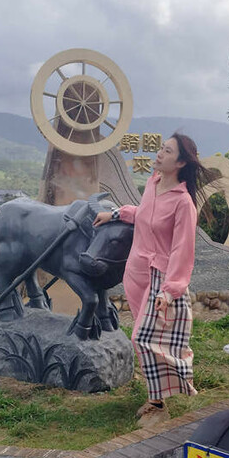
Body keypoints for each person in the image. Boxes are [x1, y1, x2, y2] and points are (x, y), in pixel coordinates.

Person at [93, 133, 210, 428]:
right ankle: (155, 396)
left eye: (167, 151)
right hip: (135, 272)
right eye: (160, 149)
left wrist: (171, 291)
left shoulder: (184, 203)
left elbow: (182, 250)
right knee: (145, 338)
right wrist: (116, 214)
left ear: (181, 162)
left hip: (160, 276)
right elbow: (144, 214)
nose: (159, 154)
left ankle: (161, 400)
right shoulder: (153, 183)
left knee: (142, 337)